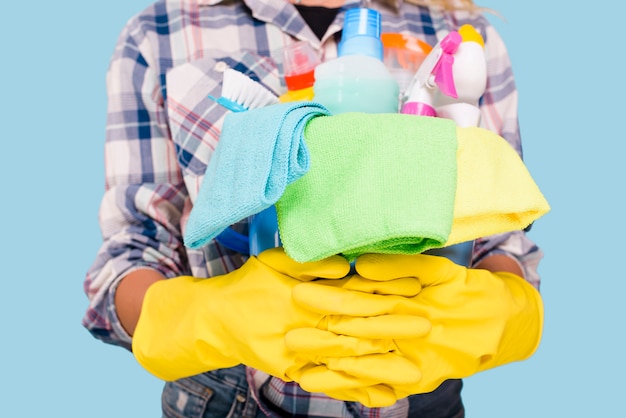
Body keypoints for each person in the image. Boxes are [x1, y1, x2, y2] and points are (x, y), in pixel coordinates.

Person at [82, 0, 545, 416]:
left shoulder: (461, 35)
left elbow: (501, 236)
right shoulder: (161, 31)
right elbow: (133, 251)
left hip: (423, 404)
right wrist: (212, 317)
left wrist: (495, 309)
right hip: (229, 399)